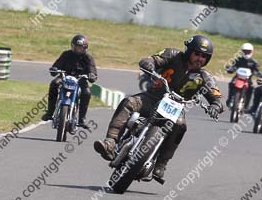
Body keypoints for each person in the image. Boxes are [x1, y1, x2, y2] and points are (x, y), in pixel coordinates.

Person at [93, 35, 223, 183]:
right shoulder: (173, 55)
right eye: (197, 54)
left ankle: (161, 165)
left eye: (204, 56)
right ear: (189, 51)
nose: (200, 58)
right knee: (129, 102)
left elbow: (216, 95)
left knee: (181, 126)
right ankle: (111, 142)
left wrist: (215, 105)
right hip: (153, 97)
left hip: (176, 108)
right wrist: (148, 64)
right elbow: (152, 59)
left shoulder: (205, 77)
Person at [41, 34, 97, 127]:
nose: (78, 49)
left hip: (80, 80)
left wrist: (92, 75)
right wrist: (54, 69)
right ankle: (50, 112)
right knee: (54, 84)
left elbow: (92, 70)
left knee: (86, 93)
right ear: (72, 46)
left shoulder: (88, 58)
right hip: (64, 77)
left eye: (81, 48)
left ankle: (82, 119)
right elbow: (57, 65)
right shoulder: (66, 54)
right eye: (76, 47)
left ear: (85, 48)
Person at [224, 42, 261, 109]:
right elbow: (232, 66)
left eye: (248, 51)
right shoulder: (238, 59)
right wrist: (230, 68)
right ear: (242, 51)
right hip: (238, 78)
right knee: (231, 84)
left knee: (251, 88)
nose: (246, 53)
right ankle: (230, 100)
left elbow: (257, 70)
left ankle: (246, 104)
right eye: (245, 51)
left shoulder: (254, 62)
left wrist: (258, 74)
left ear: (251, 52)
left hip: (248, 79)